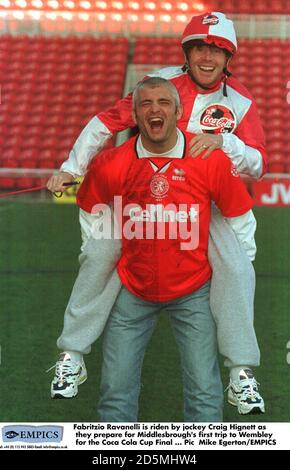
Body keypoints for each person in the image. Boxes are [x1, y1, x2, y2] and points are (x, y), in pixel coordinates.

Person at [47, 12, 266, 415]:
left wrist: (222, 143)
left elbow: (257, 164)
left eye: (217, 50)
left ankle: (241, 373)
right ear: (187, 52)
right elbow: (104, 122)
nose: (207, 56)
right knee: (97, 255)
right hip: (138, 195)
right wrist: (72, 168)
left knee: (236, 267)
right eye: (199, 47)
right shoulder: (159, 84)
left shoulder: (242, 102)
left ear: (228, 57)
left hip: (202, 204)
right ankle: (73, 354)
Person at [76, 76, 257, 422]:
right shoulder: (112, 162)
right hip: (132, 287)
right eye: (146, 104)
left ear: (178, 112)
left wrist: (240, 273)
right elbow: (91, 208)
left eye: (163, 103)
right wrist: (95, 254)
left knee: (204, 390)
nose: (154, 109)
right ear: (135, 115)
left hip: (193, 288)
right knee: (115, 389)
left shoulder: (209, 158)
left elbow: (240, 216)